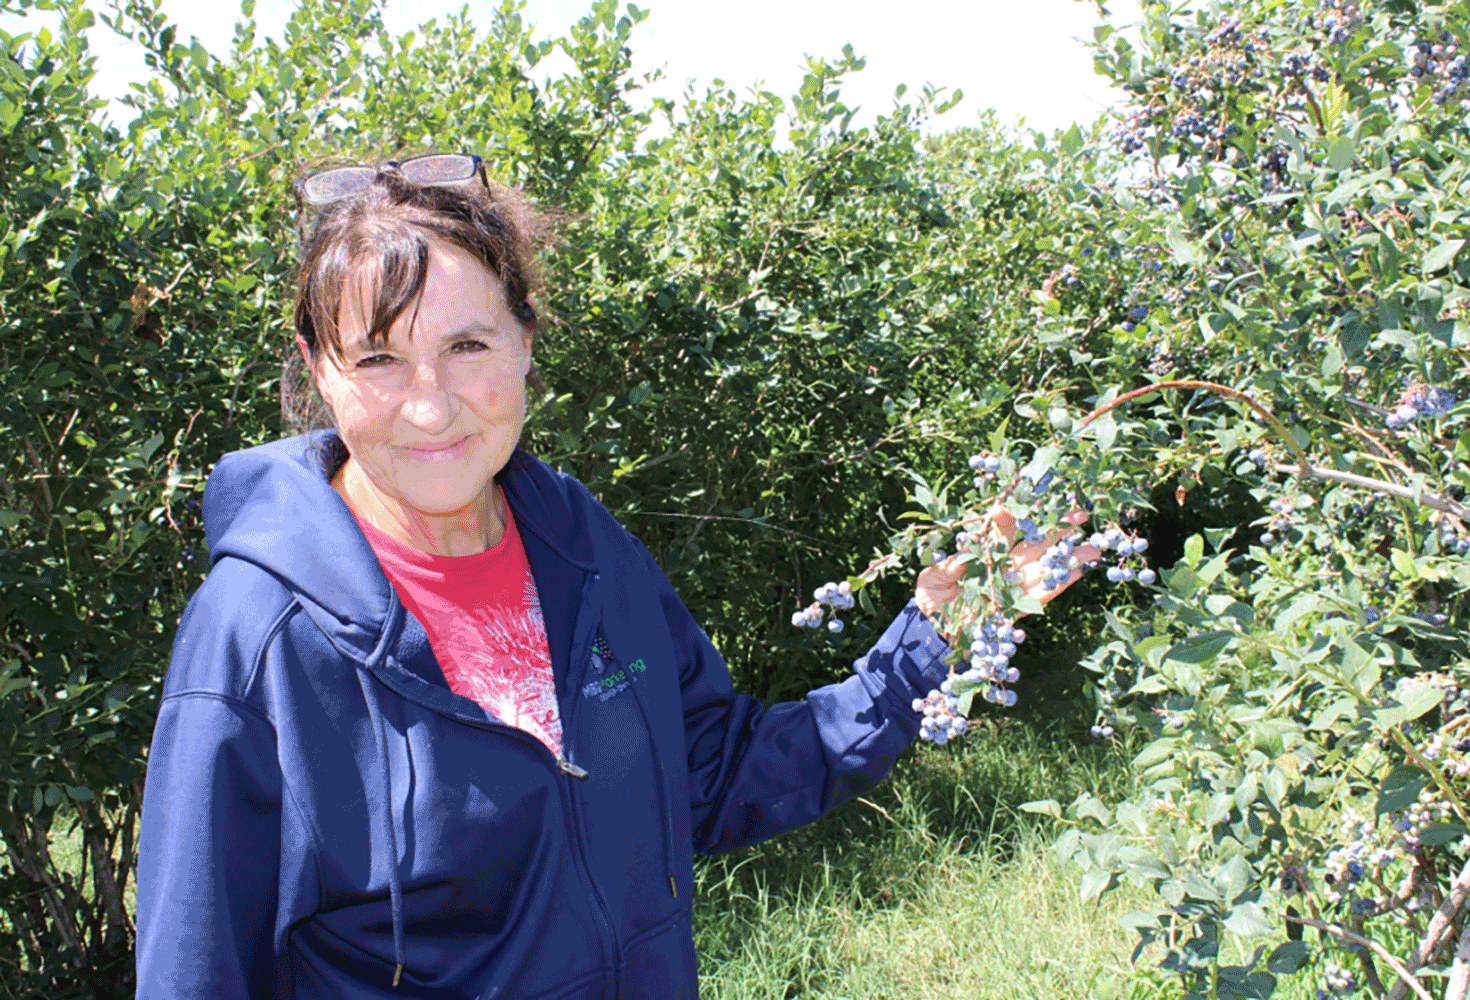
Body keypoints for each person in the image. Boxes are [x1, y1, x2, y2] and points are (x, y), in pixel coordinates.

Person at [133, 153, 1090, 999]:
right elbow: (196, 967)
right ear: (319, 369)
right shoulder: (259, 638)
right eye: (379, 358)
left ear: (524, 339)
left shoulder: (580, 549)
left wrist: (930, 639)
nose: (429, 408)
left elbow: (710, 779)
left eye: (466, 345)